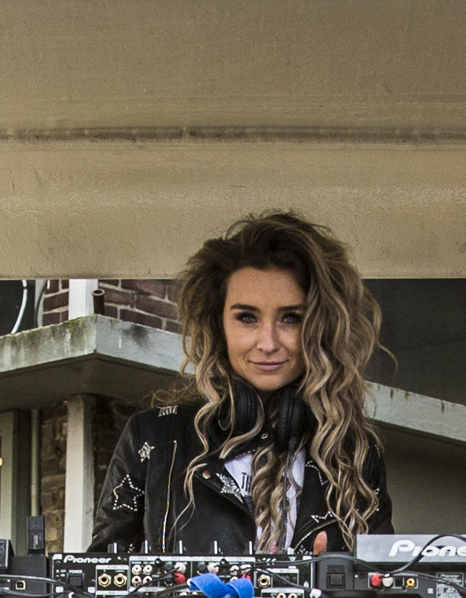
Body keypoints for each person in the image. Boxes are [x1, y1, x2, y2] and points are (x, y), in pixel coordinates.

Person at [88, 211, 393, 558]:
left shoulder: (355, 451)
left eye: (291, 318)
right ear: (217, 324)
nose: (267, 342)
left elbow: (381, 594)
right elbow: (102, 586)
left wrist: (328, 583)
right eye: (247, 317)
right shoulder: (153, 439)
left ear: (321, 327)